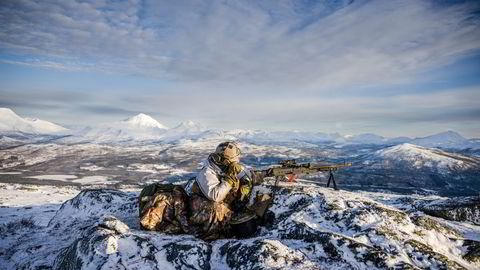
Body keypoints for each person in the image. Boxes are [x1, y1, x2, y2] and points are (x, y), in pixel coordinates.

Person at [184, 141, 254, 240]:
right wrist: (229, 180)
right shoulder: (207, 172)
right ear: (225, 161)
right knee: (216, 207)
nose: (236, 162)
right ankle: (215, 235)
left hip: (217, 207)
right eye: (234, 160)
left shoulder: (225, 168)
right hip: (202, 211)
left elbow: (247, 176)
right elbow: (215, 196)